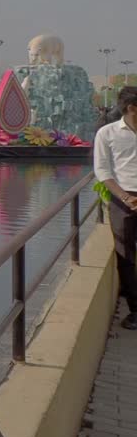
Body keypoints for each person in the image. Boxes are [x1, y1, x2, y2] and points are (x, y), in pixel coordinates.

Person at [96, 86, 137, 329]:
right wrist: (124, 196)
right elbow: (102, 171)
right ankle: (135, 309)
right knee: (126, 255)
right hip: (123, 200)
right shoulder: (107, 133)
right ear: (131, 108)